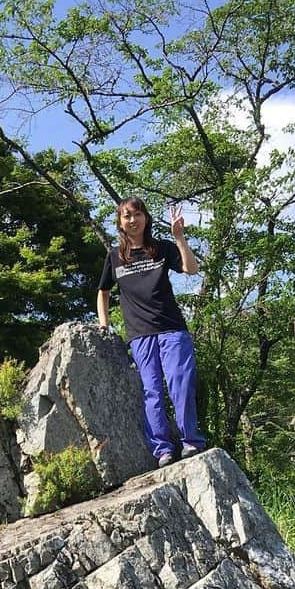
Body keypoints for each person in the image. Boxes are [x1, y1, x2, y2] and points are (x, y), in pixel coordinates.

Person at [96, 196, 206, 466]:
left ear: (146, 218)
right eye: (126, 216)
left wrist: (179, 237)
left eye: (137, 214)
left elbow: (192, 270)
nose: (132, 220)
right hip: (139, 335)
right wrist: (104, 326)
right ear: (120, 223)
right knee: (152, 391)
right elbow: (103, 292)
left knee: (180, 383)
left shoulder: (161, 248)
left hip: (171, 328)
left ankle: (190, 441)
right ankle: (163, 449)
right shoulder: (115, 256)